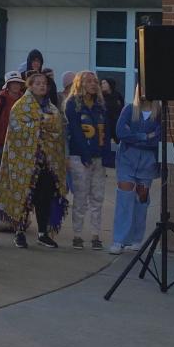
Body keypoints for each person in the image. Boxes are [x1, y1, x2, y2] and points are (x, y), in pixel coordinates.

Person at [0, 70, 68, 249]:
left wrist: (39, 123)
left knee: (45, 197)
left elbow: (57, 128)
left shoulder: (52, 108)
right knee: (24, 197)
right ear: (30, 86)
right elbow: (17, 130)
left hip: (48, 162)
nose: (42, 86)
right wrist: (43, 123)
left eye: (44, 83)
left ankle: (43, 233)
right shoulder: (20, 106)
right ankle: (19, 232)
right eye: (37, 83)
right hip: (25, 161)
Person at [111, 84, 162, 253]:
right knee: (124, 197)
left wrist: (136, 136)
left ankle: (136, 239)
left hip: (148, 162)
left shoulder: (160, 113)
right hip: (127, 158)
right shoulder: (128, 109)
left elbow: (158, 138)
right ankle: (119, 240)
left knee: (141, 200)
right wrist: (145, 136)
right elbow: (120, 133)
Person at [65, 71, 112, 250]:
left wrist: (106, 154)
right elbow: (75, 132)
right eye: (89, 81)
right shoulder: (73, 104)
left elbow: (106, 132)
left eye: (96, 81)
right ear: (80, 83)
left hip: (99, 157)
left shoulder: (101, 105)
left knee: (97, 197)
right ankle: (77, 234)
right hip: (80, 157)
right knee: (81, 196)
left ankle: (95, 235)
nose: (93, 84)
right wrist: (85, 154)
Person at [0, 70, 25, 173]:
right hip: (2, 143)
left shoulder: (24, 100)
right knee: (1, 172)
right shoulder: (0, 100)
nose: (16, 85)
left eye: (18, 83)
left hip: (20, 143)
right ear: (8, 85)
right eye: (13, 83)